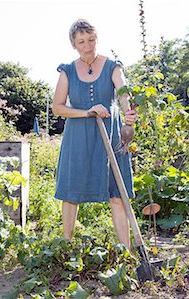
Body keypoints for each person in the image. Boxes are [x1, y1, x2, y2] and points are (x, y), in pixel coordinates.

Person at [52, 19, 138, 250]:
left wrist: (128, 111)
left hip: (109, 134)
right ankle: (66, 246)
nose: (88, 46)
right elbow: (58, 108)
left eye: (91, 39)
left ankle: (127, 252)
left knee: (117, 192)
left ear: (97, 39)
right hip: (78, 137)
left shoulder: (112, 66)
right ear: (74, 45)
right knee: (71, 192)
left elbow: (122, 92)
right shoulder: (67, 71)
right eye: (81, 41)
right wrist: (87, 112)